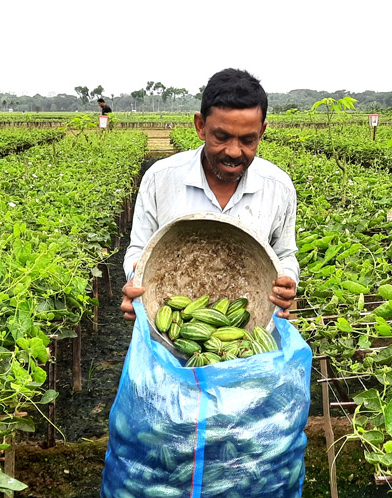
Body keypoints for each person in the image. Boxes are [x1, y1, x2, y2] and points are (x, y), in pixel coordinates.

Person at [120, 68, 298, 321]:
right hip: (171, 323)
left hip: (247, 331)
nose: (234, 151)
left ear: (262, 132)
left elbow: (284, 254)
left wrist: (288, 280)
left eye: (248, 140)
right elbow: (139, 248)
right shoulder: (161, 178)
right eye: (221, 137)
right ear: (201, 126)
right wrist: (135, 282)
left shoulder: (278, 186)